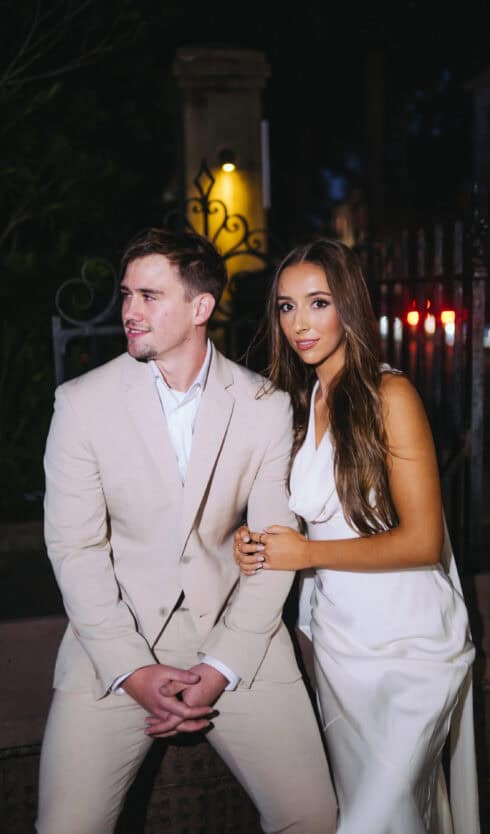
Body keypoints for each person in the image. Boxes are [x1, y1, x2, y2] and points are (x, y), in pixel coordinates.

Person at [36, 228, 337, 834]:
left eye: (150, 296)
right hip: (113, 645)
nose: (129, 311)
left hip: (236, 637)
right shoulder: (80, 403)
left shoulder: (264, 404)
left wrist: (223, 665)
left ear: (200, 307)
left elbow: (276, 547)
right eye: (127, 295)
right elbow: (75, 549)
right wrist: (133, 670)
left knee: (313, 819)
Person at [234, 238, 481, 834]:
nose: (300, 323)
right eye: (287, 308)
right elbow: (308, 519)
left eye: (318, 302)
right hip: (340, 648)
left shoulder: (389, 395)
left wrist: (307, 554)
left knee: (376, 820)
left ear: (349, 305)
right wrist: (254, 544)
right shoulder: (305, 400)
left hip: (409, 650)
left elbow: (423, 541)